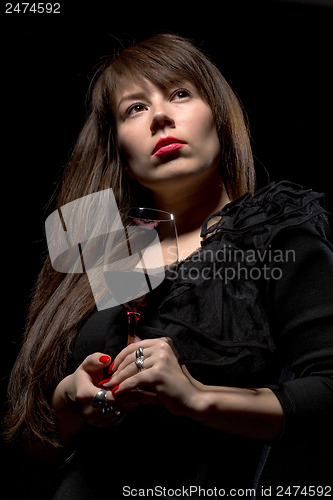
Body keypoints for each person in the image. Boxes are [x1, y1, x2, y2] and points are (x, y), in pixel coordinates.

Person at [5, 33, 333, 499]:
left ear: (218, 117)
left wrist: (196, 397)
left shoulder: (275, 234)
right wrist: (69, 403)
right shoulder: (103, 247)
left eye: (180, 93)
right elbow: (29, 448)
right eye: (134, 109)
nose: (160, 115)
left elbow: (328, 389)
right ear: (119, 150)